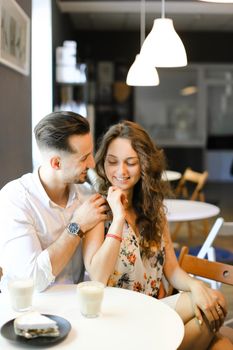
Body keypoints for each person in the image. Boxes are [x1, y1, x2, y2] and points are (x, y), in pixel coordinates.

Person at [82, 120, 232, 350]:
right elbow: (98, 279)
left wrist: (195, 286)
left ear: (144, 164)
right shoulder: (97, 209)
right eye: (112, 162)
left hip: (154, 308)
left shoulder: (154, 210)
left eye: (130, 163)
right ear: (103, 163)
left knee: (216, 302)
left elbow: (171, 269)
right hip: (115, 316)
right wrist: (118, 217)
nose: (120, 171)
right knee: (220, 344)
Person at [0, 111, 107, 292]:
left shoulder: (87, 195)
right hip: (27, 312)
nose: (92, 164)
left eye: (91, 154)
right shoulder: (14, 200)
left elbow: (96, 270)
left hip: (76, 309)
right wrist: (77, 226)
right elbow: (32, 281)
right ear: (56, 163)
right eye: (83, 158)